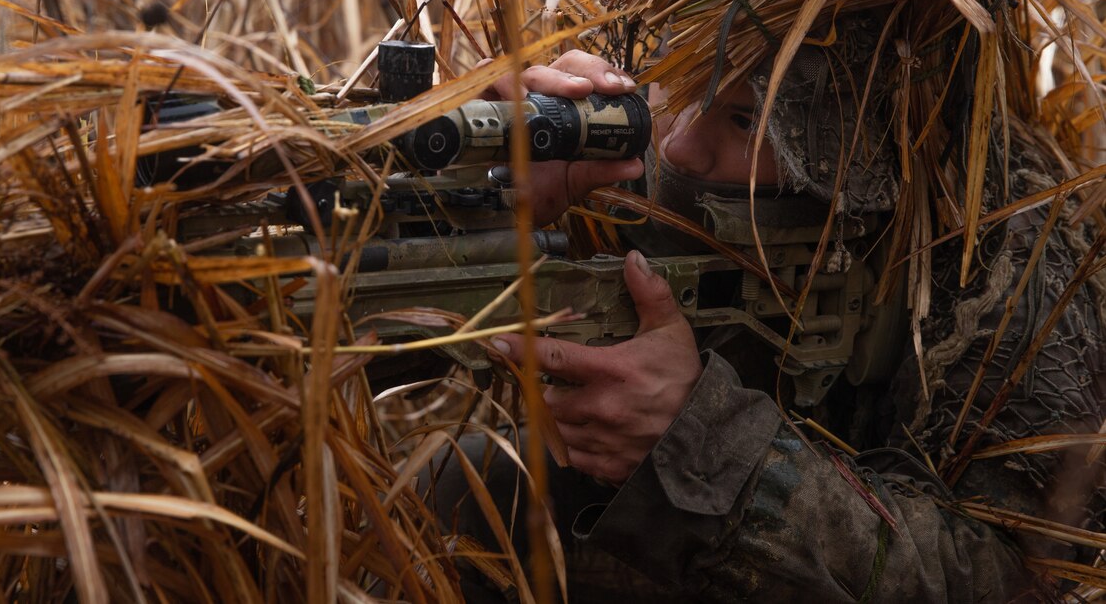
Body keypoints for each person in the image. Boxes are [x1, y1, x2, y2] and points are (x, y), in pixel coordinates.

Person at [428, 37, 1105, 602]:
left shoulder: (1013, 266)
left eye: (749, 120)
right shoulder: (646, 149)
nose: (684, 147)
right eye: (686, 86)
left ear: (866, 142)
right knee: (471, 489)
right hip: (707, 550)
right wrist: (474, 208)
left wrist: (705, 443)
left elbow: (1018, 579)